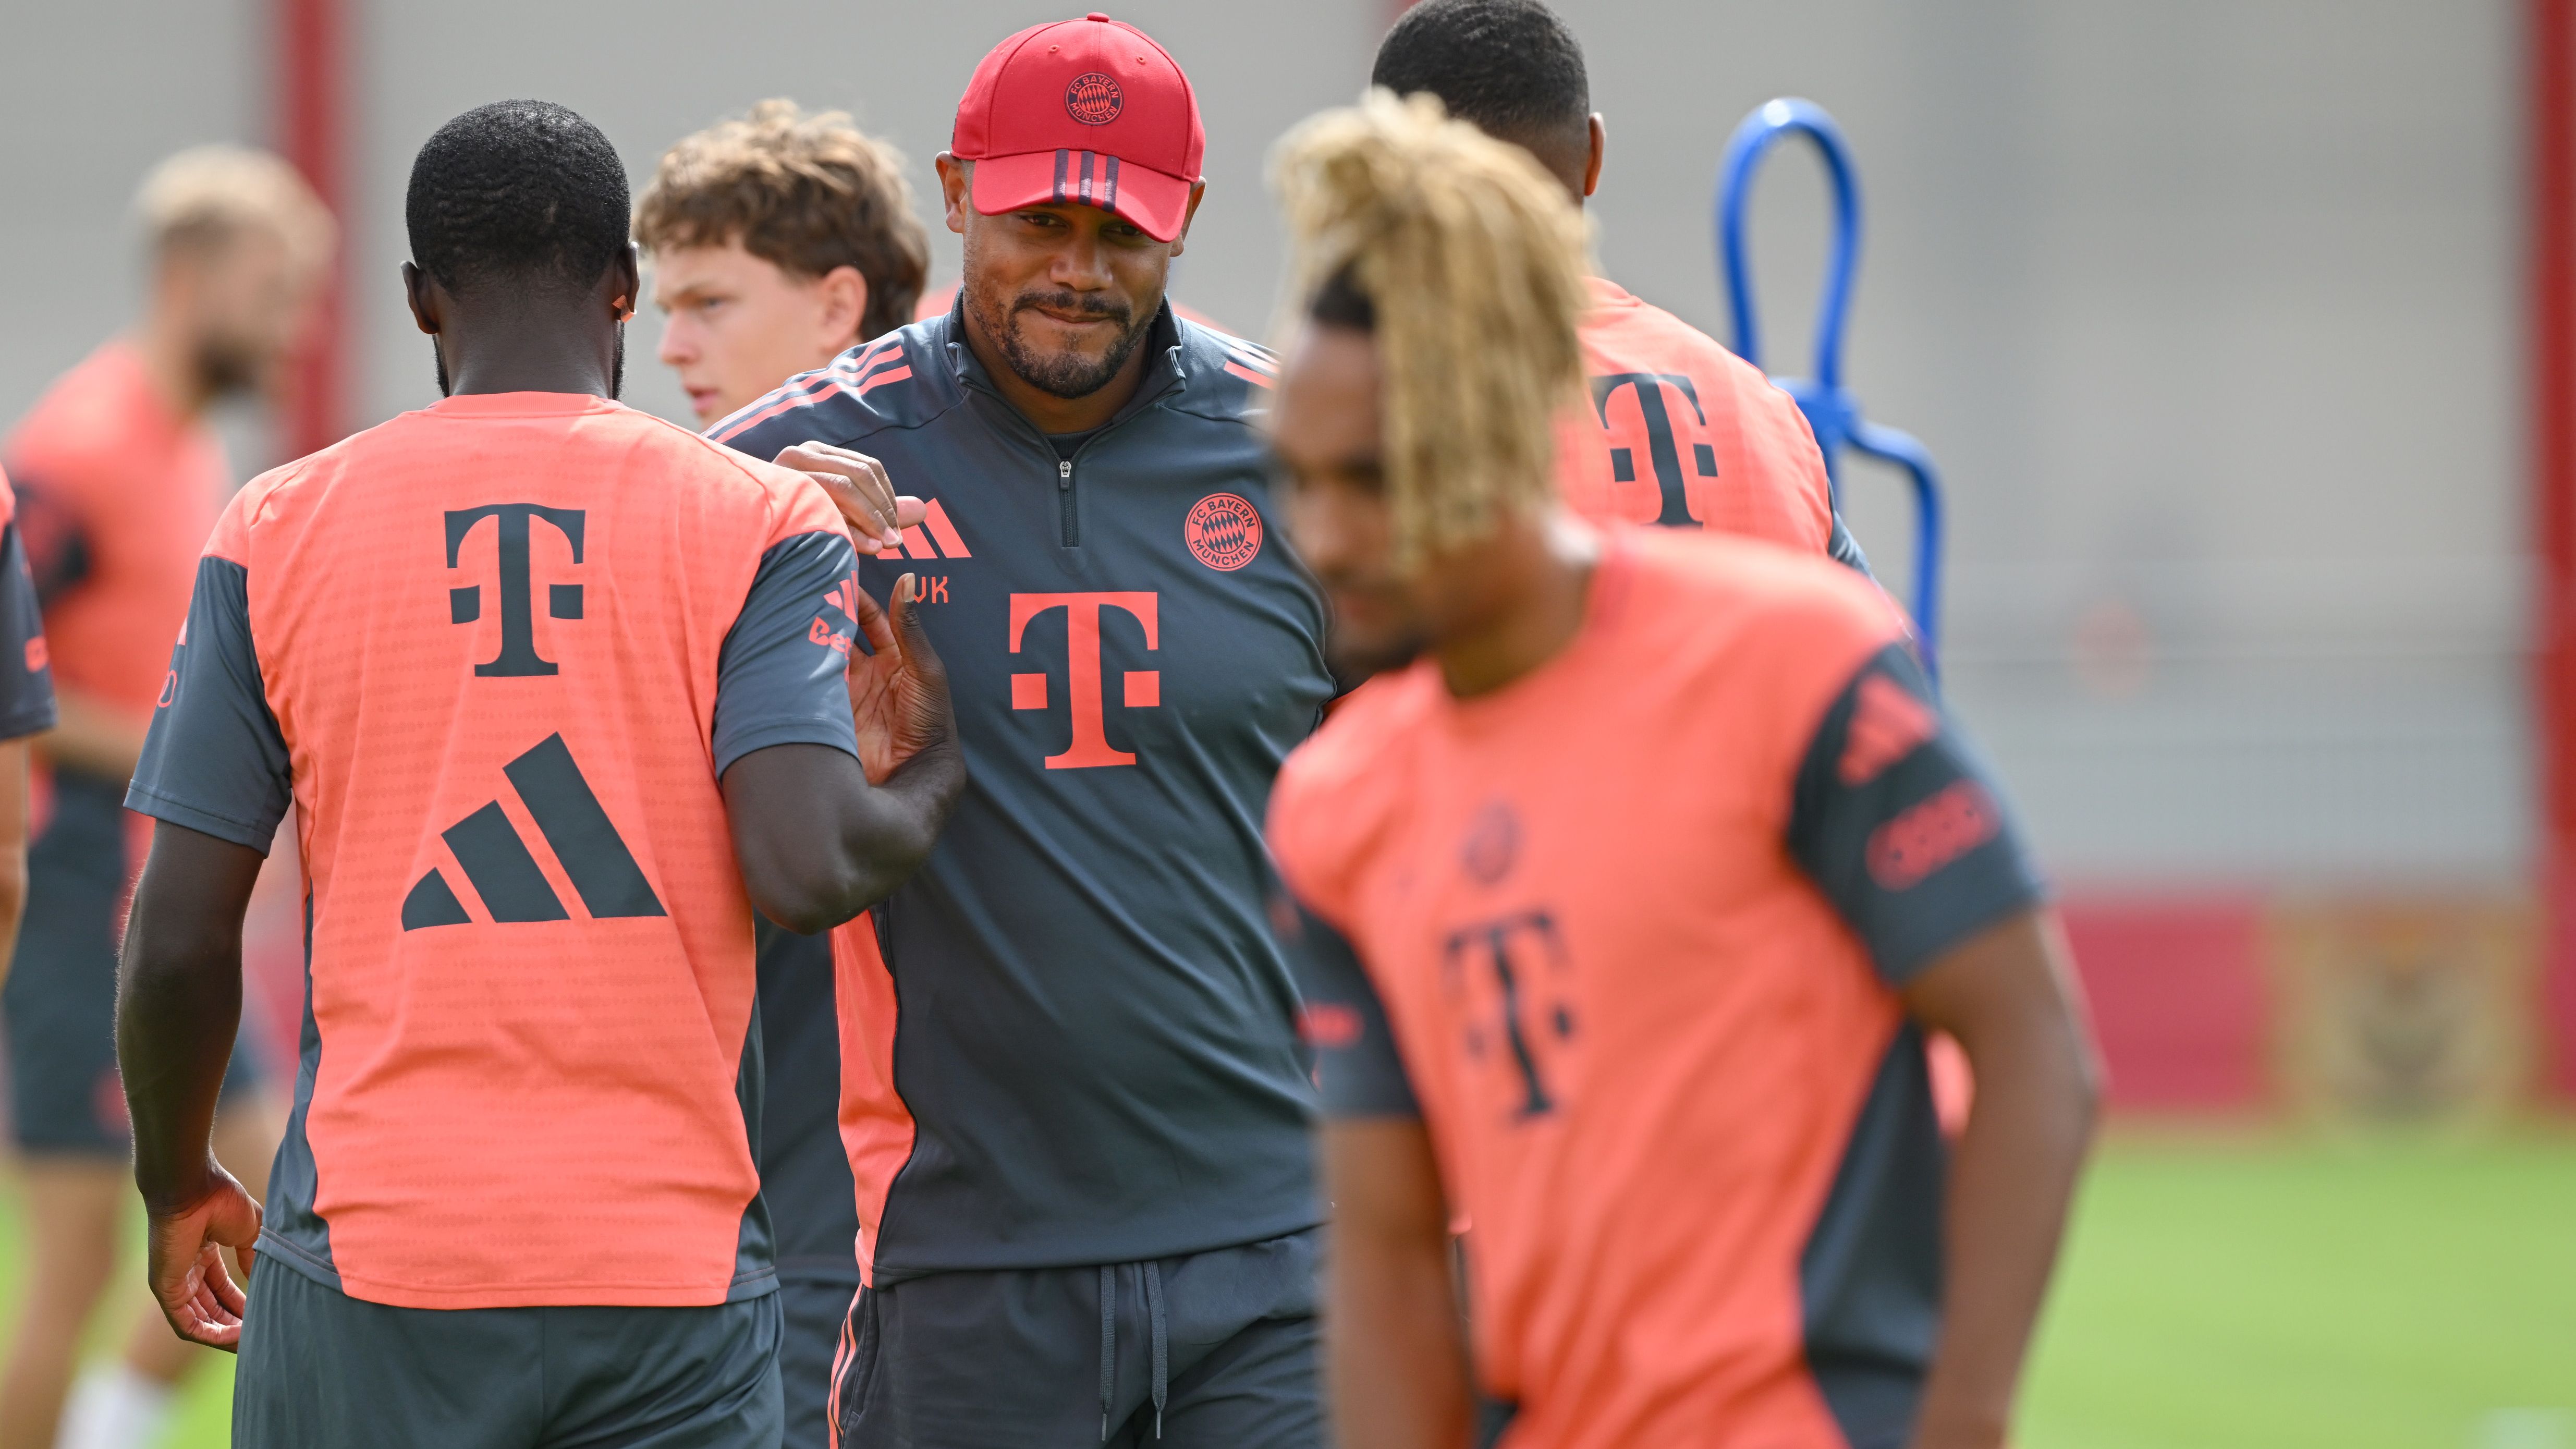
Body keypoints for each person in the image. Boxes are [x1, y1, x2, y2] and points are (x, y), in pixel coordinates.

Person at [111, 100, 962, 1447]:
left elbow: (177, 935)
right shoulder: (754, 517)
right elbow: (805, 867)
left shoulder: (276, 524)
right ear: (623, 289)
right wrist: (932, 769)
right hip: (666, 1276)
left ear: (419, 303)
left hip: (375, 1263)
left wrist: (175, 1179)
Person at [1263, 94, 2100, 1449]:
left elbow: (2031, 1047)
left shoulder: (1796, 660)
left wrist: (1961, 1419)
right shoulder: (1336, 803)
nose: (1324, 534)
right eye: (1296, 479)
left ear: (1484, 435)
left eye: (1368, 477)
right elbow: (1389, 1256)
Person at [714, 15, 1333, 1446]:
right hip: (960, 1257)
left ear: (1179, 227)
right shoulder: (790, 468)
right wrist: (731, 545)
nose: (1074, 268)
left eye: (1117, 234)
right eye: (1038, 220)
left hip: (1281, 1247)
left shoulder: (1303, 450)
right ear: (954, 192)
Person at [0, 145, 332, 1449]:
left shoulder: (185, 445)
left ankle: (111, 1430)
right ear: (189, 277)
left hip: (152, 903)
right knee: (79, 1260)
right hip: (79, 889)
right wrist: (174, 742)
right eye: (274, 287)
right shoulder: (80, 449)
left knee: (273, 1194)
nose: (294, 322)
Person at [635, 96, 933, 1449]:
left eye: (708, 299)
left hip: (899, 1215)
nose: (672, 342)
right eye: (661, 304)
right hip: (736, 1203)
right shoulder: (701, 523)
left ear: (837, 304)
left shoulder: (975, 516)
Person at [1371, 0, 1869, 568]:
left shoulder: (1377, 422)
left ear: (1380, 182)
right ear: (1594, 153)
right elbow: (1886, 648)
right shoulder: (1771, 417)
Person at [640, 99, 931, 429]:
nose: (670, 351)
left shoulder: (960, 473)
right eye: (668, 312)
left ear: (837, 308)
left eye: (710, 303)